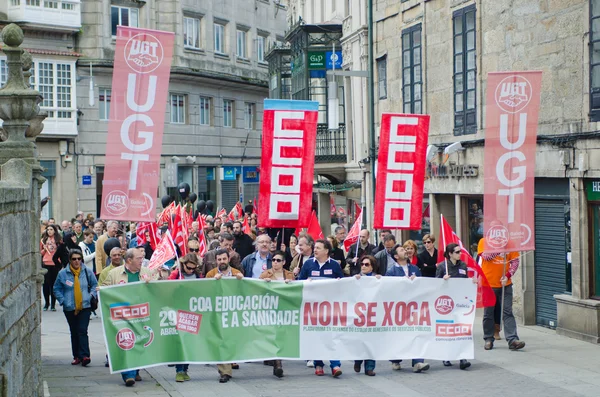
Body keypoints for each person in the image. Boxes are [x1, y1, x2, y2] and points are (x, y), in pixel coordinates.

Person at [102, 248, 157, 386]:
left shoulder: (147, 272)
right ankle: (128, 374)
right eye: (139, 258)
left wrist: (152, 283)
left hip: (141, 315)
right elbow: (104, 289)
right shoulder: (114, 273)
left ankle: (136, 369)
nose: (141, 261)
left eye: (142, 258)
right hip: (122, 316)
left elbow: (158, 289)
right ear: (129, 260)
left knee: (139, 341)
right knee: (127, 342)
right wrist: (101, 291)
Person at [298, 239, 344, 377]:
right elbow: (299, 283)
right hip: (313, 307)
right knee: (316, 335)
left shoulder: (335, 265)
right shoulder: (308, 264)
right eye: (315, 248)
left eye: (318, 248)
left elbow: (343, 284)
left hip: (330, 307)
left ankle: (335, 365)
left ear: (326, 251)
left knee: (331, 335)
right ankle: (318, 364)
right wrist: (306, 282)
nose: (315, 250)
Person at [386, 244, 430, 373]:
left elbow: (422, 286)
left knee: (417, 333)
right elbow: (388, 289)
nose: (405, 251)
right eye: (401, 250)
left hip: (414, 307)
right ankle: (395, 359)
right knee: (398, 335)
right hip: (398, 308)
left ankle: (418, 362)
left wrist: (416, 281)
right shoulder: (391, 271)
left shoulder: (415, 268)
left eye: (405, 249)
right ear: (395, 256)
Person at [478, 235, 525, 351]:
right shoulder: (483, 241)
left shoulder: (509, 243)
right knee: (488, 313)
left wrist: (508, 275)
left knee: (507, 311)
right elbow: (486, 256)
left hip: (505, 284)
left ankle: (512, 339)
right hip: (488, 284)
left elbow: (515, 261)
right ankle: (488, 338)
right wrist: (499, 246)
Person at [53, 249, 97, 367]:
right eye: (74, 259)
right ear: (70, 260)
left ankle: (85, 356)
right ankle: (76, 356)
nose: (77, 261)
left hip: (85, 306)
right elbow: (56, 288)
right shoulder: (63, 273)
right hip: (70, 307)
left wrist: (91, 295)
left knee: (82, 330)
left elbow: (94, 284)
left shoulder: (87, 271)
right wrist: (63, 301)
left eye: (79, 259)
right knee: (74, 331)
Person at [205, 249, 243, 383]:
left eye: (224, 259)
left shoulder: (237, 273)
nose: (222, 262)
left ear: (228, 259)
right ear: (216, 261)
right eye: (219, 259)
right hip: (218, 312)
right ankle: (224, 372)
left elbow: (244, 292)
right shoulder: (211, 274)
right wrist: (212, 283)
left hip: (233, 313)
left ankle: (231, 363)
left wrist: (241, 282)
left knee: (232, 340)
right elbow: (205, 293)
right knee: (221, 340)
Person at [436, 243, 475, 370]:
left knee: (461, 329)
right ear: (450, 254)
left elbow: (466, 282)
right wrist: (443, 279)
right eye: (457, 252)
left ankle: (462, 357)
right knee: (448, 329)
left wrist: (472, 282)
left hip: (460, 303)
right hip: (446, 303)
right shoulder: (442, 266)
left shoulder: (463, 265)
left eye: (460, 252)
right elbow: (434, 285)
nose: (460, 254)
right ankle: (446, 355)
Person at [259, 250, 294, 378]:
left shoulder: (289, 275)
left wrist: (291, 285)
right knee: (275, 335)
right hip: (270, 309)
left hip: (285, 309)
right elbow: (257, 290)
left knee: (282, 335)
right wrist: (264, 284)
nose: (275, 263)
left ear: (284, 262)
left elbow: (295, 291)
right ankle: (278, 363)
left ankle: (276, 360)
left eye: (278, 260)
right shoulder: (265, 274)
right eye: (273, 260)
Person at [167, 254, 201, 382]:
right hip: (178, 311)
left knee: (189, 342)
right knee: (180, 342)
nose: (191, 270)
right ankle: (179, 370)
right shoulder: (176, 274)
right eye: (189, 268)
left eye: (193, 268)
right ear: (183, 264)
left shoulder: (197, 275)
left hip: (192, 311)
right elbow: (167, 288)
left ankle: (185, 369)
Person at [353, 255, 381, 376]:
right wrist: (354, 280)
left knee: (372, 341)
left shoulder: (377, 279)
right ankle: (358, 360)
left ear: (372, 267)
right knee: (360, 340)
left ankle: (370, 367)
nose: (363, 266)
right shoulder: (356, 278)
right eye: (362, 264)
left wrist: (381, 280)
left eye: (367, 264)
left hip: (372, 314)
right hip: (359, 314)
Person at [41, 224, 61, 311]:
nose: (49, 231)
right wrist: (44, 249)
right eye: (48, 229)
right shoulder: (43, 240)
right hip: (46, 263)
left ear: (54, 230)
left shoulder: (58, 240)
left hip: (55, 263)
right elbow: (40, 253)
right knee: (46, 284)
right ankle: (46, 303)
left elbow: (61, 251)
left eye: (51, 229)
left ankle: (53, 304)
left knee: (53, 284)